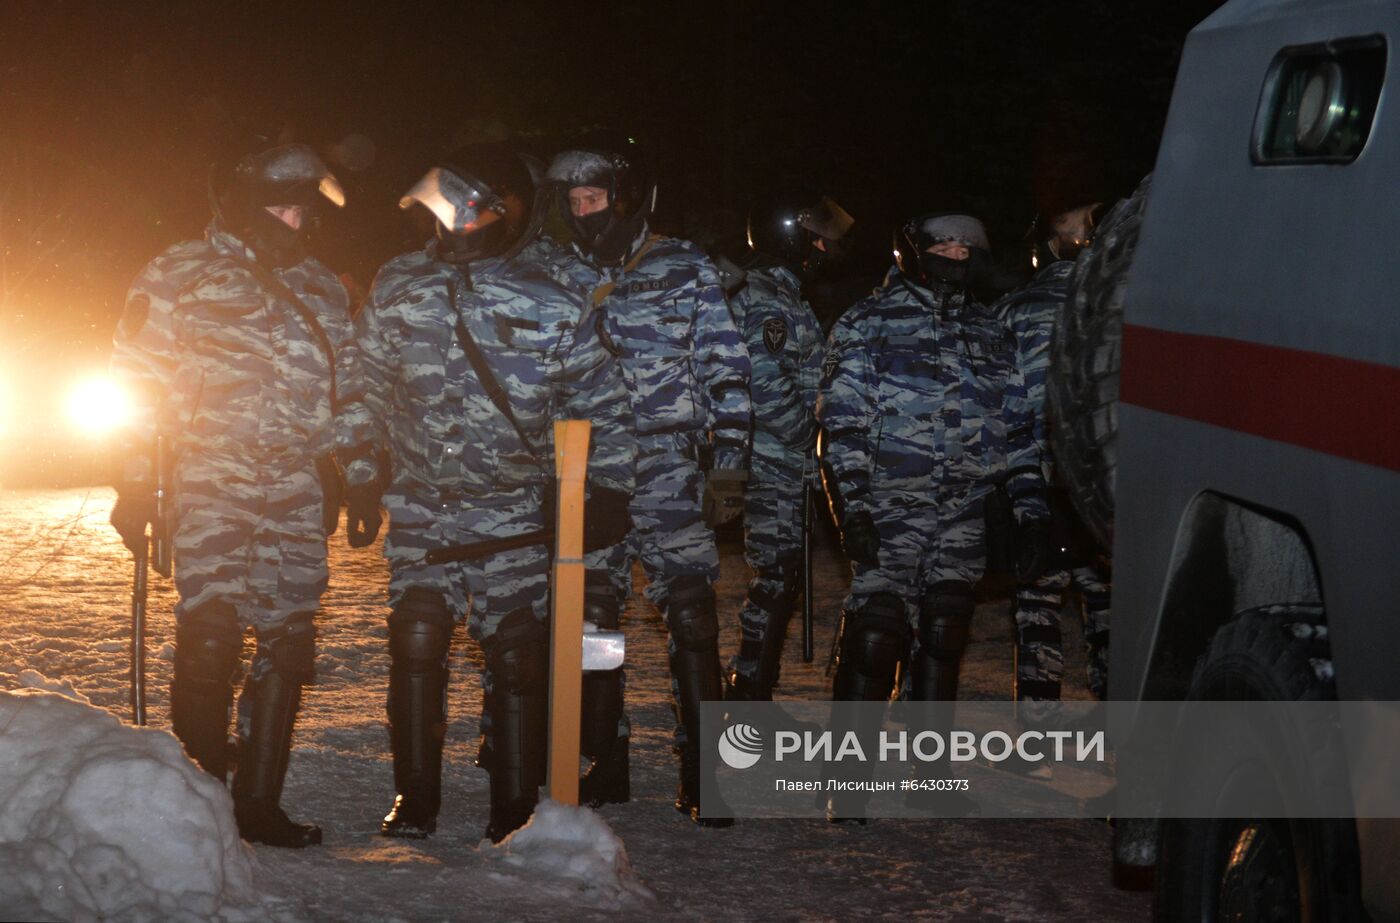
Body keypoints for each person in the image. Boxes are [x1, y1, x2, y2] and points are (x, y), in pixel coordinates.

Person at [334, 143, 634, 843]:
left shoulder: (551, 294)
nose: (448, 226)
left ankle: (514, 808)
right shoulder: (401, 283)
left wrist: (606, 487)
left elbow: (601, 396)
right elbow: (362, 376)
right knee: (415, 639)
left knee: (519, 656)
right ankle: (415, 800)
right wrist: (357, 465)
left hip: (514, 510)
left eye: (460, 212)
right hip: (423, 505)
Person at [109, 141, 352, 848]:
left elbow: (342, 385)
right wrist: (132, 479)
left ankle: (257, 805)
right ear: (243, 204)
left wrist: (344, 467)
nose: (293, 219)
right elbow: (133, 381)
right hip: (210, 476)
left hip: (295, 488)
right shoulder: (178, 273)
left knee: (290, 640)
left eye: (303, 207)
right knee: (212, 632)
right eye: (279, 205)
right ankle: (201, 804)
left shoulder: (321, 287)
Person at [545, 133, 752, 825]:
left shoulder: (683, 267)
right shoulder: (556, 275)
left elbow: (727, 365)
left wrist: (731, 462)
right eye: (573, 201)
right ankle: (606, 760)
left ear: (626, 198)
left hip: (668, 464)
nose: (584, 212)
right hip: (590, 469)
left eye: (595, 197)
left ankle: (708, 776)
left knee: (691, 614)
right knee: (595, 620)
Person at [816, 211, 1050, 815]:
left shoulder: (991, 331)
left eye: (967, 247)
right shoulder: (869, 322)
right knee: (877, 632)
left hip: (967, 507)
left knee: (945, 631)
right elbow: (840, 424)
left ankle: (929, 775)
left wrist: (1031, 510)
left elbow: (1019, 426)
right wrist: (852, 508)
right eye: (943, 245)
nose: (955, 254)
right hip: (890, 503)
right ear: (915, 252)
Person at [725, 191, 853, 702]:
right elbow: (765, 382)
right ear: (793, 236)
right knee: (774, 579)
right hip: (774, 462)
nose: (826, 246)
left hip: (786, 461)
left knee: (781, 578)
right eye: (817, 236)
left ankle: (756, 689)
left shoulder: (784, 292)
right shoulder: (765, 296)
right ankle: (746, 697)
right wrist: (809, 440)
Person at [998, 197, 1111, 711]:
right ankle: (1120, 741)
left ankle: (1038, 735)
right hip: (1101, 482)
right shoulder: (1117, 306)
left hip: (1033, 482)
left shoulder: (1012, 310)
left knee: (1037, 606)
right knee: (1108, 605)